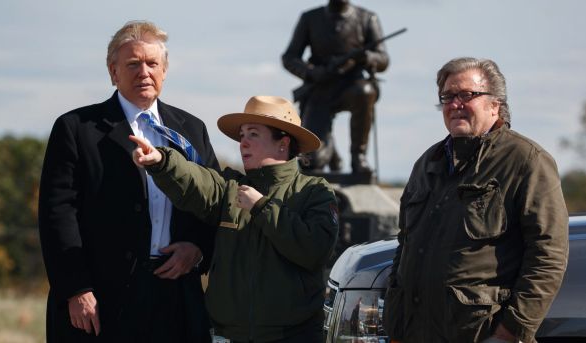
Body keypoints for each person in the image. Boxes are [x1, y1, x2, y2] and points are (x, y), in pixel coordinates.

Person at [38, 21, 218, 342]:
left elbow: (214, 203)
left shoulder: (192, 130)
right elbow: (57, 216)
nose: (143, 72)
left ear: (164, 70)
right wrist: (76, 288)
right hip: (100, 301)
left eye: (152, 64)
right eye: (132, 64)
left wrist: (199, 249)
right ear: (113, 71)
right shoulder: (76, 129)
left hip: (176, 298)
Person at [383, 57, 569, 343]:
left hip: (480, 333)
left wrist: (510, 333)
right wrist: (396, 324)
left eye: (466, 95)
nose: (454, 104)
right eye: (447, 96)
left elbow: (548, 256)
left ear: (495, 104)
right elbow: (405, 244)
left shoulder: (526, 161)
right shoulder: (427, 163)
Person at [130, 95, 339, 342]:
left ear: (282, 143)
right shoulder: (231, 187)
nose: (243, 143)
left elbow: (314, 250)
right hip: (230, 337)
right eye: (242, 136)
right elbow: (198, 181)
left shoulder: (314, 191)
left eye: (253, 134)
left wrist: (261, 206)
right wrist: (162, 161)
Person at [282, 0, 389, 174]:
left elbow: (383, 59)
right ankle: (332, 154)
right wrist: (312, 72)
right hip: (320, 90)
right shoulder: (310, 18)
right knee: (311, 162)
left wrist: (367, 57)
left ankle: (358, 156)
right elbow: (289, 57)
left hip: (352, 86)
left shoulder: (367, 18)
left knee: (365, 92)